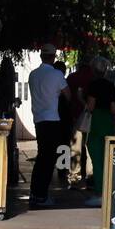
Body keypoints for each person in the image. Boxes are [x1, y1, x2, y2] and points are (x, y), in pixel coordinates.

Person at [27, 43, 69, 208]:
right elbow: (68, 95)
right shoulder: (57, 75)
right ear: (53, 56)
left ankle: (35, 193)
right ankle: (41, 195)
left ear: (41, 56)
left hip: (38, 119)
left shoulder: (32, 75)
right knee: (49, 159)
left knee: (41, 157)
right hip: (52, 119)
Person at [83, 56, 115, 208]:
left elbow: (90, 106)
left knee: (96, 158)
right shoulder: (111, 86)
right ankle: (108, 190)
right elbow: (114, 108)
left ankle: (99, 193)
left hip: (96, 120)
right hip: (108, 122)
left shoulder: (92, 85)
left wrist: (80, 99)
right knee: (107, 157)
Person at [65, 58, 94, 185]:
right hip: (92, 117)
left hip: (76, 116)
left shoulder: (71, 78)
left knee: (75, 148)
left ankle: (74, 177)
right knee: (89, 148)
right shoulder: (93, 79)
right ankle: (90, 176)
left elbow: (67, 97)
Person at [53, 59, 72, 187]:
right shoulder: (63, 83)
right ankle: (62, 171)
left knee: (52, 145)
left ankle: (57, 170)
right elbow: (69, 98)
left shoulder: (50, 83)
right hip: (63, 119)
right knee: (64, 145)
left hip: (53, 118)